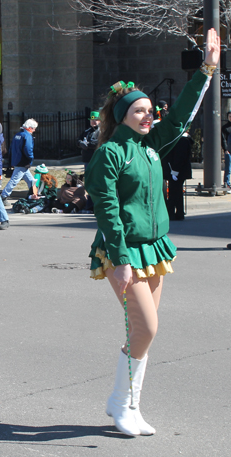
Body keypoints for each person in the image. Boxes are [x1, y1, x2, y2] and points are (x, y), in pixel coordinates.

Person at [84, 28, 220, 437]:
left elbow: (180, 115)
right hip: (121, 249)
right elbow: (106, 209)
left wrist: (207, 70)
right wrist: (121, 260)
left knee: (142, 330)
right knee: (146, 327)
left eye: (149, 110)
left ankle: (126, 403)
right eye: (139, 111)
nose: (148, 116)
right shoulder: (111, 152)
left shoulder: (150, 145)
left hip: (154, 247)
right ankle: (122, 401)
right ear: (122, 115)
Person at [0, 118, 38, 206]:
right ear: (29, 128)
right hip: (23, 161)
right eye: (34, 128)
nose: (34, 130)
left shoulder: (18, 135)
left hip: (17, 160)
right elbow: (28, 150)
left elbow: (11, 148)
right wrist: (31, 159)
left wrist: (11, 160)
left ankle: (34, 194)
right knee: (14, 180)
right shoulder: (27, 136)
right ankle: (3, 196)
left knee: (31, 180)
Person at [162, 129, 193, 221]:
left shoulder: (181, 140)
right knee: (178, 193)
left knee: (173, 194)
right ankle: (179, 213)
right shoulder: (181, 139)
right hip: (177, 171)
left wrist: (175, 171)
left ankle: (171, 213)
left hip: (177, 172)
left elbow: (179, 157)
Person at [221, 111, 231, 189]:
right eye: (229, 116)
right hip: (229, 150)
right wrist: (225, 149)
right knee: (228, 168)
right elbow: (223, 139)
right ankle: (227, 183)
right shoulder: (225, 127)